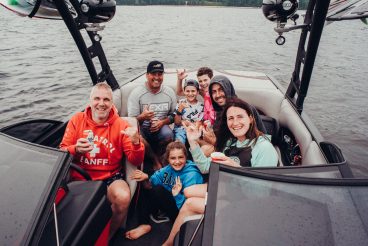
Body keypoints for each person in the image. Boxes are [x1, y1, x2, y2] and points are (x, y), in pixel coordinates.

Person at [59, 82, 145, 239]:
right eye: (97, 99)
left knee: (123, 196)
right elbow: (62, 152)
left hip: (110, 177)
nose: (101, 104)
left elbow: (135, 159)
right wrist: (75, 149)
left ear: (112, 103)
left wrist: (136, 142)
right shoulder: (77, 120)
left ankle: (107, 236)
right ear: (90, 101)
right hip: (81, 177)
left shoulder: (121, 125)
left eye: (106, 100)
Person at [126, 141, 204, 240]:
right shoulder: (168, 169)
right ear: (168, 159)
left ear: (186, 157)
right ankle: (144, 224)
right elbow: (155, 178)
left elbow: (189, 208)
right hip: (171, 201)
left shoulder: (192, 175)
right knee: (145, 185)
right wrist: (145, 177)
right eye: (173, 158)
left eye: (181, 157)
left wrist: (177, 196)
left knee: (158, 189)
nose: (177, 161)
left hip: (183, 212)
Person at [186, 97, 278, 173]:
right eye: (230, 118)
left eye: (240, 117)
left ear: (250, 119)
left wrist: (235, 168)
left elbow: (262, 189)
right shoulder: (230, 143)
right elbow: (205, 167)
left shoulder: (264, 148)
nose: (235, 123)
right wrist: (192, 141)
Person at [127, 60, 177, 156]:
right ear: (147, 75)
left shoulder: (169, 92)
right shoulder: (136, 93)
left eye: (160, 74)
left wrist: (161, 122)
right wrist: (143, 117)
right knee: (136, 137)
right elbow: (131, 122)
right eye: (153, 74)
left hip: (161, 128)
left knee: (169, 135)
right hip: (142, 129)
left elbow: (174, 115)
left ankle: (161, 157)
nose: (157, 77)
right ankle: (154, 160)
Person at [173, 79, 204, 143]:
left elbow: (200, 123)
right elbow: (177, 122)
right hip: (181, 129)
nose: (190, 93)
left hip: (194, 128)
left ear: (197, 92)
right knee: (179, 140)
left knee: (198, 139)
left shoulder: (201, 106)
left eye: (193, 91)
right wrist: (179, 110)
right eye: (187, 91)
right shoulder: (181, 103)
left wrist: (190, 124)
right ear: (184, 91)